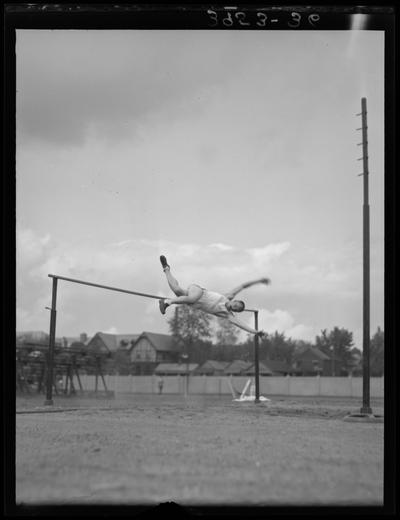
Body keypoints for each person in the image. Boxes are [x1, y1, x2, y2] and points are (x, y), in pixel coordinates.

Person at [158, 255, 269, 336]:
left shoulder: (227, 315)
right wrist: (259, 281)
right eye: (235, 304)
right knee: (190, 298)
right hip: (199, 291)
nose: (233, 307)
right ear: (234, 301)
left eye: (235, 309)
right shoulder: (228, 296)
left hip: (194, 301)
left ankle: (166, 269)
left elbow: (241, 324)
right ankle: (168, 302)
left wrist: (255, 332)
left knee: (177, 290)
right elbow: (243, 286)